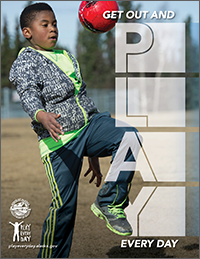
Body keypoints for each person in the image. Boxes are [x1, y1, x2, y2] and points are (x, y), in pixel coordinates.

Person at [9, 3, 142, 258]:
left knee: (129, 136)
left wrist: (93, 153)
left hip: (89, 127)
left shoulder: (67, 56)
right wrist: (40, 114)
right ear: (28, 32)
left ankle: (109, 202)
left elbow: (83, 99)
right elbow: (27, 93)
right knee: (64, 208)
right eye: (44, 24)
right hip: (59, 143)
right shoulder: (27, 60)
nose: (52, 29)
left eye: (55, 23)